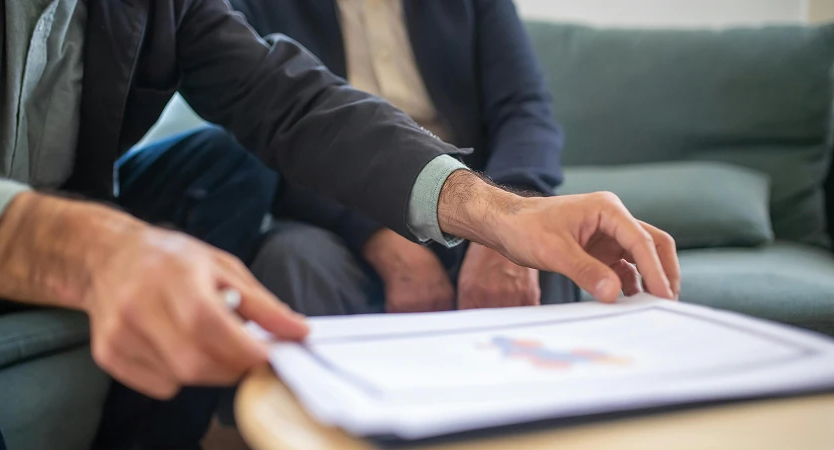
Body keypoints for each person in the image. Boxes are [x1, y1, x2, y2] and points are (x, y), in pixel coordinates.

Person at [0, 1, 679, 450]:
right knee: (292, 256)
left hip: (438, 181)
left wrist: (502, 213)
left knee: (223, 163)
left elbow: (287, 101)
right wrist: (80, 245)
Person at [233, 0, 579, 315]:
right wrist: (376, 236)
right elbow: (275, 128)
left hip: (476, 197)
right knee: (293, 259)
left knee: (547, 252)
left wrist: (508, 217)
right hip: (338, 215)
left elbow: (524, 110)